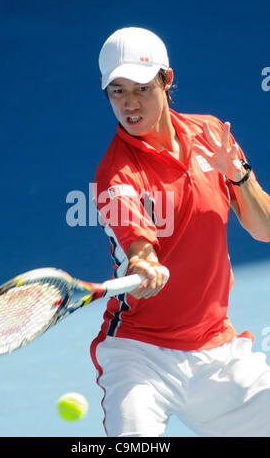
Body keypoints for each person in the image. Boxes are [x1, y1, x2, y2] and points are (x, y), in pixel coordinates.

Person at [90, 26, 270, 437]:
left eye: (139, 88)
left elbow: (264, 229)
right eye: (116, 91)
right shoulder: (116, 174)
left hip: (219, 352)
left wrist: (238, 176)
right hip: (140, 357)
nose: (129, 104)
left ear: (166, 81)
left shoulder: (211, 135)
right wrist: (145, 263)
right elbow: (139, 246)